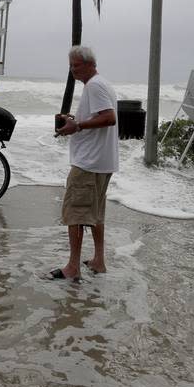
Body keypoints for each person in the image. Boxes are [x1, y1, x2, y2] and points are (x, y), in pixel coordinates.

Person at [52, 45, 118, 281]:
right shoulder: (103, 84)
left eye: (76, 65)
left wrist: (77, 126)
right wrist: (75, 120)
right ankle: (98, 261)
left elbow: (109, 118)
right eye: (70, 65)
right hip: (101, 161)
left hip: (88, 164)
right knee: (95, 214)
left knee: (77, 214)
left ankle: (73, 267)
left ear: (91, 64)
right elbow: (101, 116)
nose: (73, 70)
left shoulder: (94, 86)